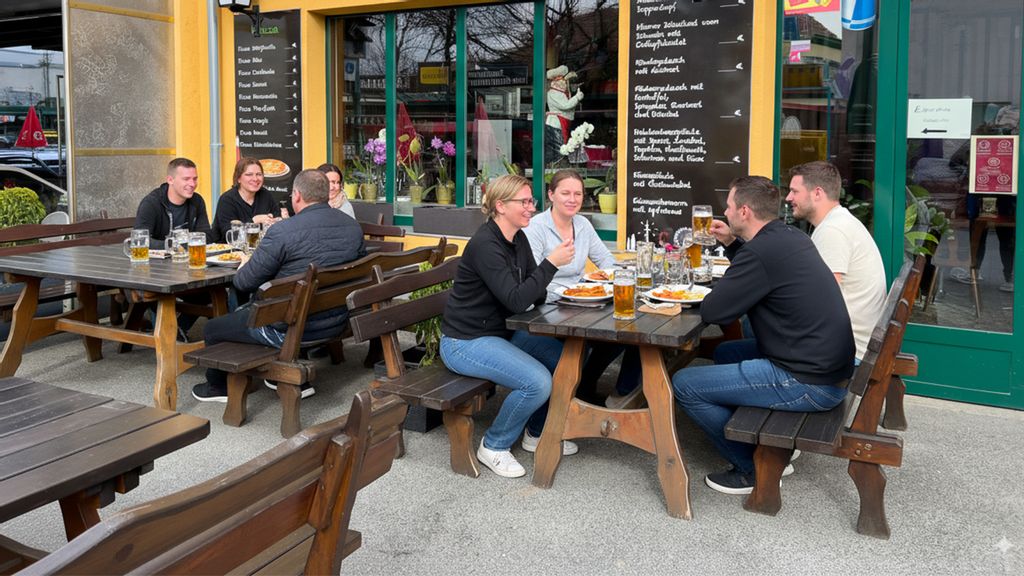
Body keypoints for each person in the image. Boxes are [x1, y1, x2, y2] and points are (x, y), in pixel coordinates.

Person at [671, 176, 854, 495]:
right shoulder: (788, 237)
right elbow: (756, 273)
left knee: (685, 384)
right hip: (828, 367)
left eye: (728, 207)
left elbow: (714, 312)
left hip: (809, 383)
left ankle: (752, 467)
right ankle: (755, 440)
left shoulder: (761, 252)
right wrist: (731, 243)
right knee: (726, 353)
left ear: (744, 211)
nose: (724, 213)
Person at [439, 174, 576, 479]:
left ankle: (535, 432)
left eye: (532, 201)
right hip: (465, 342)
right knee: (537, 382)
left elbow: (533, 292)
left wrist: (539, 276)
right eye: (524, 202)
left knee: (567, 362)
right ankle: (494, 445)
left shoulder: (518, 238)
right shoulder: (486, 245)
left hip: (500, 333)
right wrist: (550, 264)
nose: (531, 208)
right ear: (500, 205)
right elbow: (517, 299)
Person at [192, 169, 366, 402]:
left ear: (296, 196)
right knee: (266, 309)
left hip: (291, 328)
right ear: (327, 194)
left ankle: (218, 387)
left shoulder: (283, 231)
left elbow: (244, 283)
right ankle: (276, 376)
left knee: (213, 328)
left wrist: (246, 262)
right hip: (336, 321)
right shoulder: (352, 227)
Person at [523, 169, 640, 406]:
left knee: (624, 330)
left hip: (581, 301)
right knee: (608, 331)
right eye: (565, 192)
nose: (572, 199)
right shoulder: (535, 228)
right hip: (547, 305)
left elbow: (606, 261)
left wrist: (627, 274)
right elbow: (532, 278)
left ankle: (587, 386)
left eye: (578, 194)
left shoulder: (583, 224)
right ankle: (577, 390)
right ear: (551, 195)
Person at [786, 161, 886, 360]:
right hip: (853, 342)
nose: (788, 198)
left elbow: (823, 300)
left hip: (846, 352)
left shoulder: (832, 231)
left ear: (817, 193)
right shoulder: (839, 221)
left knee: (755, 327)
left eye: (794, 191)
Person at [135, 157, 213, 248]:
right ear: (170, 180)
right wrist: (175, 246)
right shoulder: (151, 203)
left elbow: (206, 235)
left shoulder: (197, 201)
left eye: (195, 179)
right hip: (157, 260)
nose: (192, 184)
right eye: (186, 179)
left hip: (188, 258)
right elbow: (140, 239)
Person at [211, 157, 284, 243]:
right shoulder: (227, 200)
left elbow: (278, 223)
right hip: (230, 253)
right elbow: (231, 237)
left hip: (260, 249)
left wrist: (273, 221)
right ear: (238, 178)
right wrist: (254, 221)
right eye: (249, 174)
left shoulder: (266, 195)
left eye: (259, 174)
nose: (255, 179)